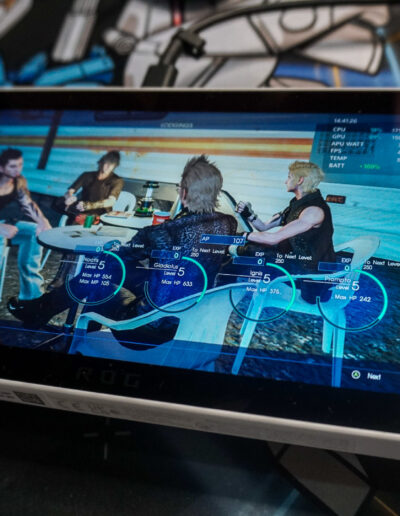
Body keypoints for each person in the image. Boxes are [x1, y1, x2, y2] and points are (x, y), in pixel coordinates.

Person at [10, 155, 238, 345]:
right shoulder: (228, 223)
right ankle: (45, 312)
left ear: (184, 193)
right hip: (189, 317)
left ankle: (66, 329)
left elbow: (122, 256)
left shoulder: (161, 231)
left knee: (101, 269)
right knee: (109, 267)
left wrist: (121, 248)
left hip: (143, 330)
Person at [233, 160, 336, 302]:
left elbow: (273, 238)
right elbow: (263, 227)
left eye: (289, 177)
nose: (285, 181)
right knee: (250, 250)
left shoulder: (313, 211)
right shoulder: (296, 204)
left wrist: (240, 236)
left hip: (313, 278)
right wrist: (248, 214)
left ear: (300, 180)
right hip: (299, 263)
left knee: (251, 250)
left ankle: (222, 286)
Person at [0, 148, 51, 307]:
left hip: (6, 223)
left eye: (20, 165)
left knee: (33, 232)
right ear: (1, 168)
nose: (18, 170)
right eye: (12, 166)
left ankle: (31, 298)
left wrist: (43, 221)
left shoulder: (18, 181)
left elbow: (28, 204)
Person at [63, 150, 124, 217]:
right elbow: (69, 191)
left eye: (112, 165)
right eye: (107, 163)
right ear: (102, 162)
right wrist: (69, 197)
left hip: (101, 213)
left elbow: (111, 201)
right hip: (82, 208)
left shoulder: (117, 180)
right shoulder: (86, 175)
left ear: (115, 166)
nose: (108, 167)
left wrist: (90, 205)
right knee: (61, 204)